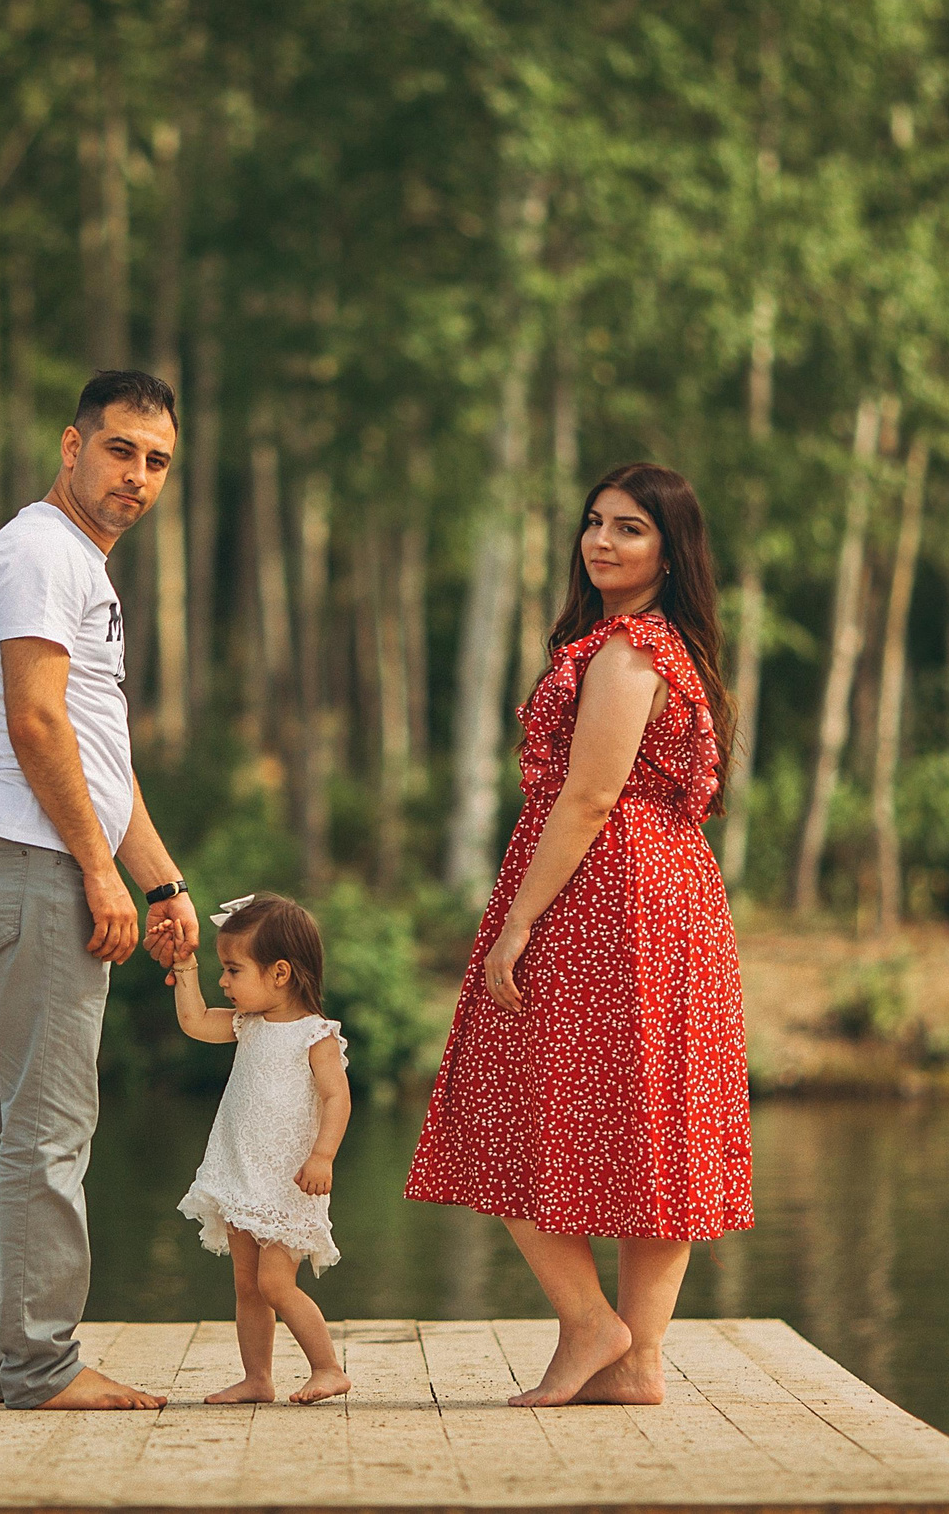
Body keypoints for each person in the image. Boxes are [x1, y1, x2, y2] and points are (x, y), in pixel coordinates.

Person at [405, 461, 753, 1408]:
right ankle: (636, 1362)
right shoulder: (656, 646)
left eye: (631, 528)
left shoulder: (628, 653)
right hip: (666, 896)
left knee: (506, 1099)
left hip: (608, 896)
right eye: (594, 523)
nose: (602, 541)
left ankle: (597, 1327)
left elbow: (592, 794)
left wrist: (518, 920)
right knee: (649, 1124)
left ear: (670, 551)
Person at [0, 370, 200, 1411]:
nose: (136, 475)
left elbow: (96, 754)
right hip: (28, 867)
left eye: (157, 460)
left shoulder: (65, 559)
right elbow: (38, 725)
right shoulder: (45, 552)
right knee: (44, 1134)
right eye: (120, 448)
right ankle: (38, 1369)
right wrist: (95, 871)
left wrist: (160, 880)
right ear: (70, 445)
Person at [159, 893, 354, 1406]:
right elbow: (195, 1021)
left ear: (280, 973)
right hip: (243, 1173)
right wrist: (185, 969)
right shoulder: (248, 1024)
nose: (224, 981)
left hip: (291, 1179)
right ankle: (257, 1378)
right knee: (248, 1286)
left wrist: (323, 1155)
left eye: (233, 969)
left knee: (275, 1283)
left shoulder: (316, 1035)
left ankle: (328, 1367)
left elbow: (337, 1097)